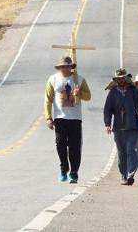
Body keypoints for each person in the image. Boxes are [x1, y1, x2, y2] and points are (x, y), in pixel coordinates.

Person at [44, 56, 91, 184]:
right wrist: (48, 117)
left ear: (71, 67)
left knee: (75, 147)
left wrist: (79, 93)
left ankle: (74, 172)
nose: (65, 68)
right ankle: (64, 168)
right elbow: (48, 99)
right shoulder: (53, 80)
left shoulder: (79, 80)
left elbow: (88, 96)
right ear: (59, 68)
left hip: (75, 118)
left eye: (67, 66)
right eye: (62, 66)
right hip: (60, 118)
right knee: (60, 145)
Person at [104, 68, 138, 185]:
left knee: (131, 150)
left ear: (126, 78)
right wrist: (107, 124)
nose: (121, 80)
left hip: (132, 126)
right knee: (121, 153)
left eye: (122, 78)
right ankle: (123, 175)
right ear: (116, 79)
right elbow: (107, 110)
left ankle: (130, 174)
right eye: (118, 79)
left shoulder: (133, 91)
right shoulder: (113, 92)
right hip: (118, 127)